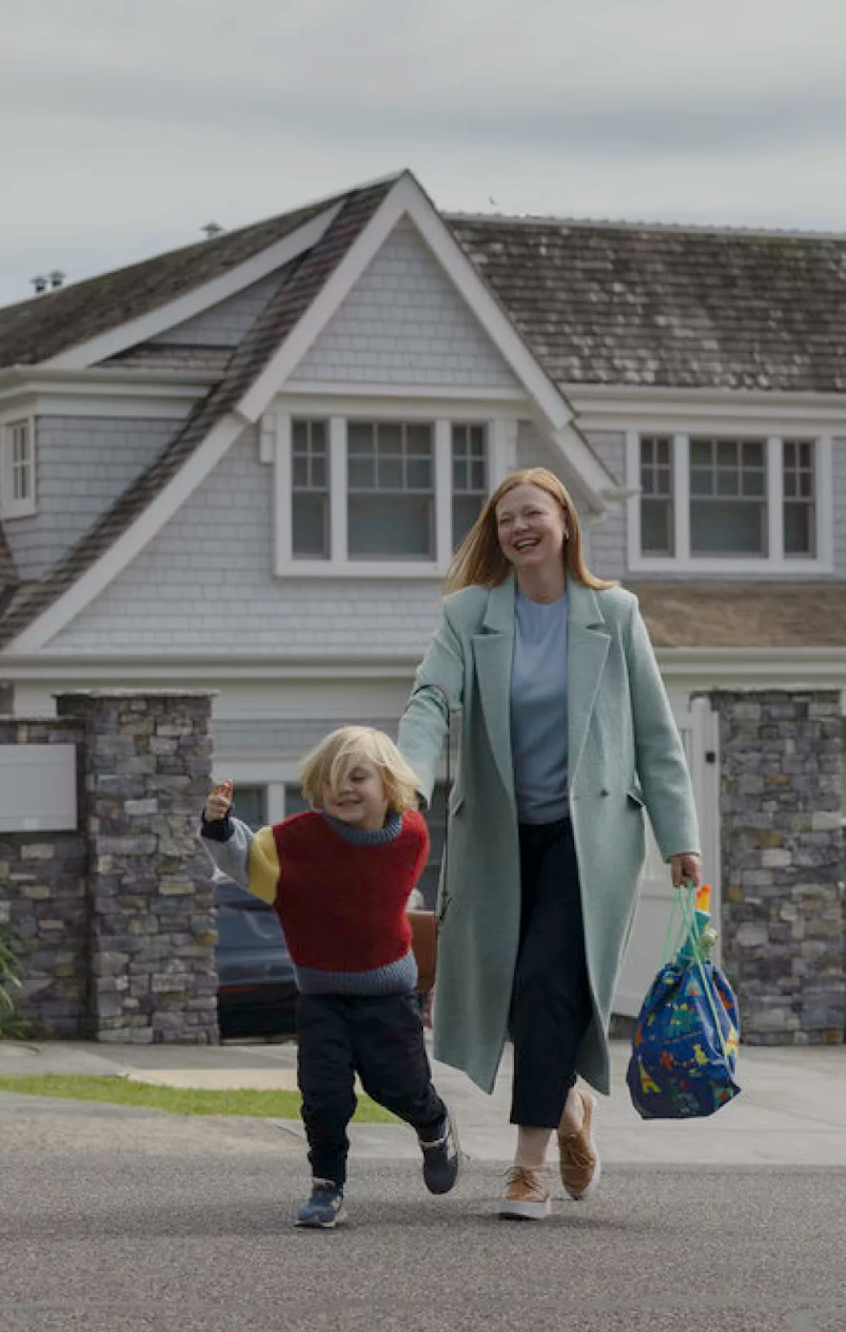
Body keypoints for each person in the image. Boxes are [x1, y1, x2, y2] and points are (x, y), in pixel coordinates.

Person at [397, 466, 701, 1221]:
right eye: (505, 520)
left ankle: (526, 1169)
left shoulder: (614, 612)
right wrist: (403, 775)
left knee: (545, 983)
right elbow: (431, 697)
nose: (517, 529)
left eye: (531, 514)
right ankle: (569, 1107)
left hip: (590, 839)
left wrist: (679, 835)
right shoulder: (470, 615)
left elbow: (658, 739)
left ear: (564, 522)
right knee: (514, 994)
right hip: (499, 839)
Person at [201, 726, 461, 1229]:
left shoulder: (410, 837)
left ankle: (434, 1126)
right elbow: (249, 861)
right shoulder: (297, 840)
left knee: (400, 1087)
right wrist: (219, 826)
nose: (344, 789)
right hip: (321, 997)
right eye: (332, 779)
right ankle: (327, 1185)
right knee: (323, 1097)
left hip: (388, 995)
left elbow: (374, 870)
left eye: (358, 777)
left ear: (388, 784)